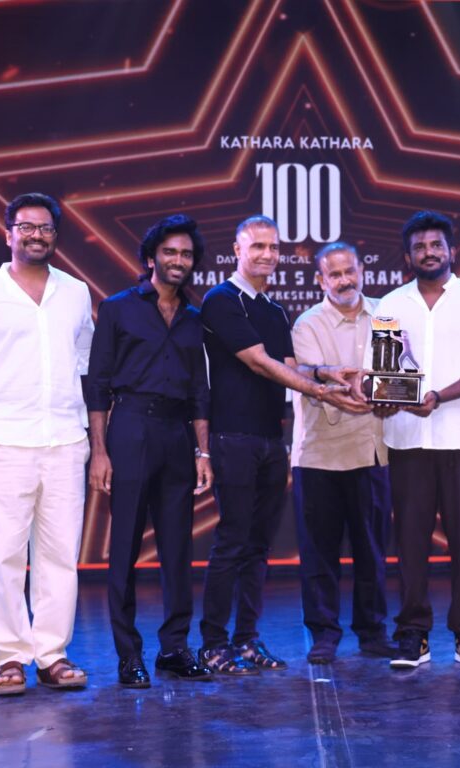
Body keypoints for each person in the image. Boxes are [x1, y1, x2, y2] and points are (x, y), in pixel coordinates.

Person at [197, 215, 361, 675]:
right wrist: (320, 389)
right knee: (232, 541)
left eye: (273, 247)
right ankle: (213, 644)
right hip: (232, 437)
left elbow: (290, 365)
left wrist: (325, 372)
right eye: (258, 246)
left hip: (271, 439)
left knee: (257, 546)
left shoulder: (273, 309)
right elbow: (260, 363)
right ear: (237, 250)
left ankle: (247, 639)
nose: (267, 255)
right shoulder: (220, 300)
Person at [0, 192, 94, 695]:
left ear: (55, 235)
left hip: (65, 441)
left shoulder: (75, 293)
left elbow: (84, 366)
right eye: (26, 227)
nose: (36, 235)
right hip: (0, 443)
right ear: (8, 232)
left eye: (45, 227)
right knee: (1, 557)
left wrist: (93, 440)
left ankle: (52, 655)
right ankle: (9, 658)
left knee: (59, 556)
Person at [85, 214, 214, 688]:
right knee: (124, 548)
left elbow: (200, 391)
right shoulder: (118, 308)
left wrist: (203, 452)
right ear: (151, 257)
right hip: (131, 427)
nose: (178, 260)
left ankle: (175, 648)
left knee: (178, 549)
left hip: (177, 434)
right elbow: (98, 384)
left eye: (186, 255)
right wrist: (100, 451)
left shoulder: (196, 318)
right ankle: (128, 655)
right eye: (170, 252)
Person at [374, 210, 460, 669]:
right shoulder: (390, 304)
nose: (428, 253)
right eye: (419, 247)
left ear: (452, 250)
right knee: (410, 543)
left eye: (435, 245)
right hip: (408, 439)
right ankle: (413, 634)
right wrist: (384, 397)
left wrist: (437, 397)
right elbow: (386, 372)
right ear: (407, 255)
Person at [290, 241, 395, 664]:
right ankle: (323, 633)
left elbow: (395, 376)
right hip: (319, 454)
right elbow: (318, 384)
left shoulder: (386, 316)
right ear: (321, 280)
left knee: (372, 550)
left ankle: (372, 632)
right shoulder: (307, 324)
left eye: (349, 271)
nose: (344, 280)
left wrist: (381, 390)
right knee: (319, 551)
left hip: (373, 450)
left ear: (361, 270)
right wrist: (358, 388)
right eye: (334, 274)